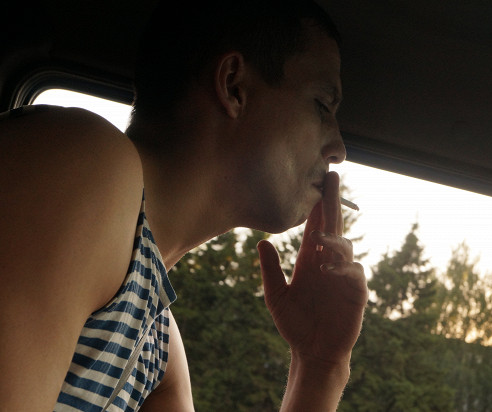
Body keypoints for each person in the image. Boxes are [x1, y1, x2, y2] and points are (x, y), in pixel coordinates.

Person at [0, 0, 368, 411]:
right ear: (234, 86)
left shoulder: (157, 344)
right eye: (322, 105)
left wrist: (320, 365)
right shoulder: (76, 162)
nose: (338, 150)